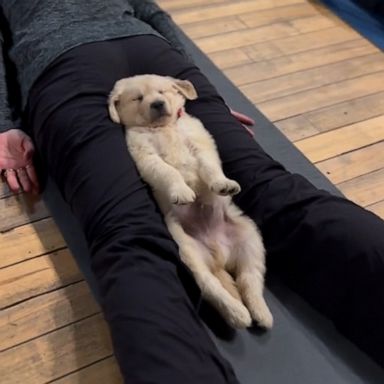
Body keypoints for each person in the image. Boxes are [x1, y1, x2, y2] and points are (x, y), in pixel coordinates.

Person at [0, 1, 383, 382]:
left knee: (127, 233)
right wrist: (194, 90)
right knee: (270, 186)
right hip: (154, 57)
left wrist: (5, 124)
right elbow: (153, 15)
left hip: (63, 67)